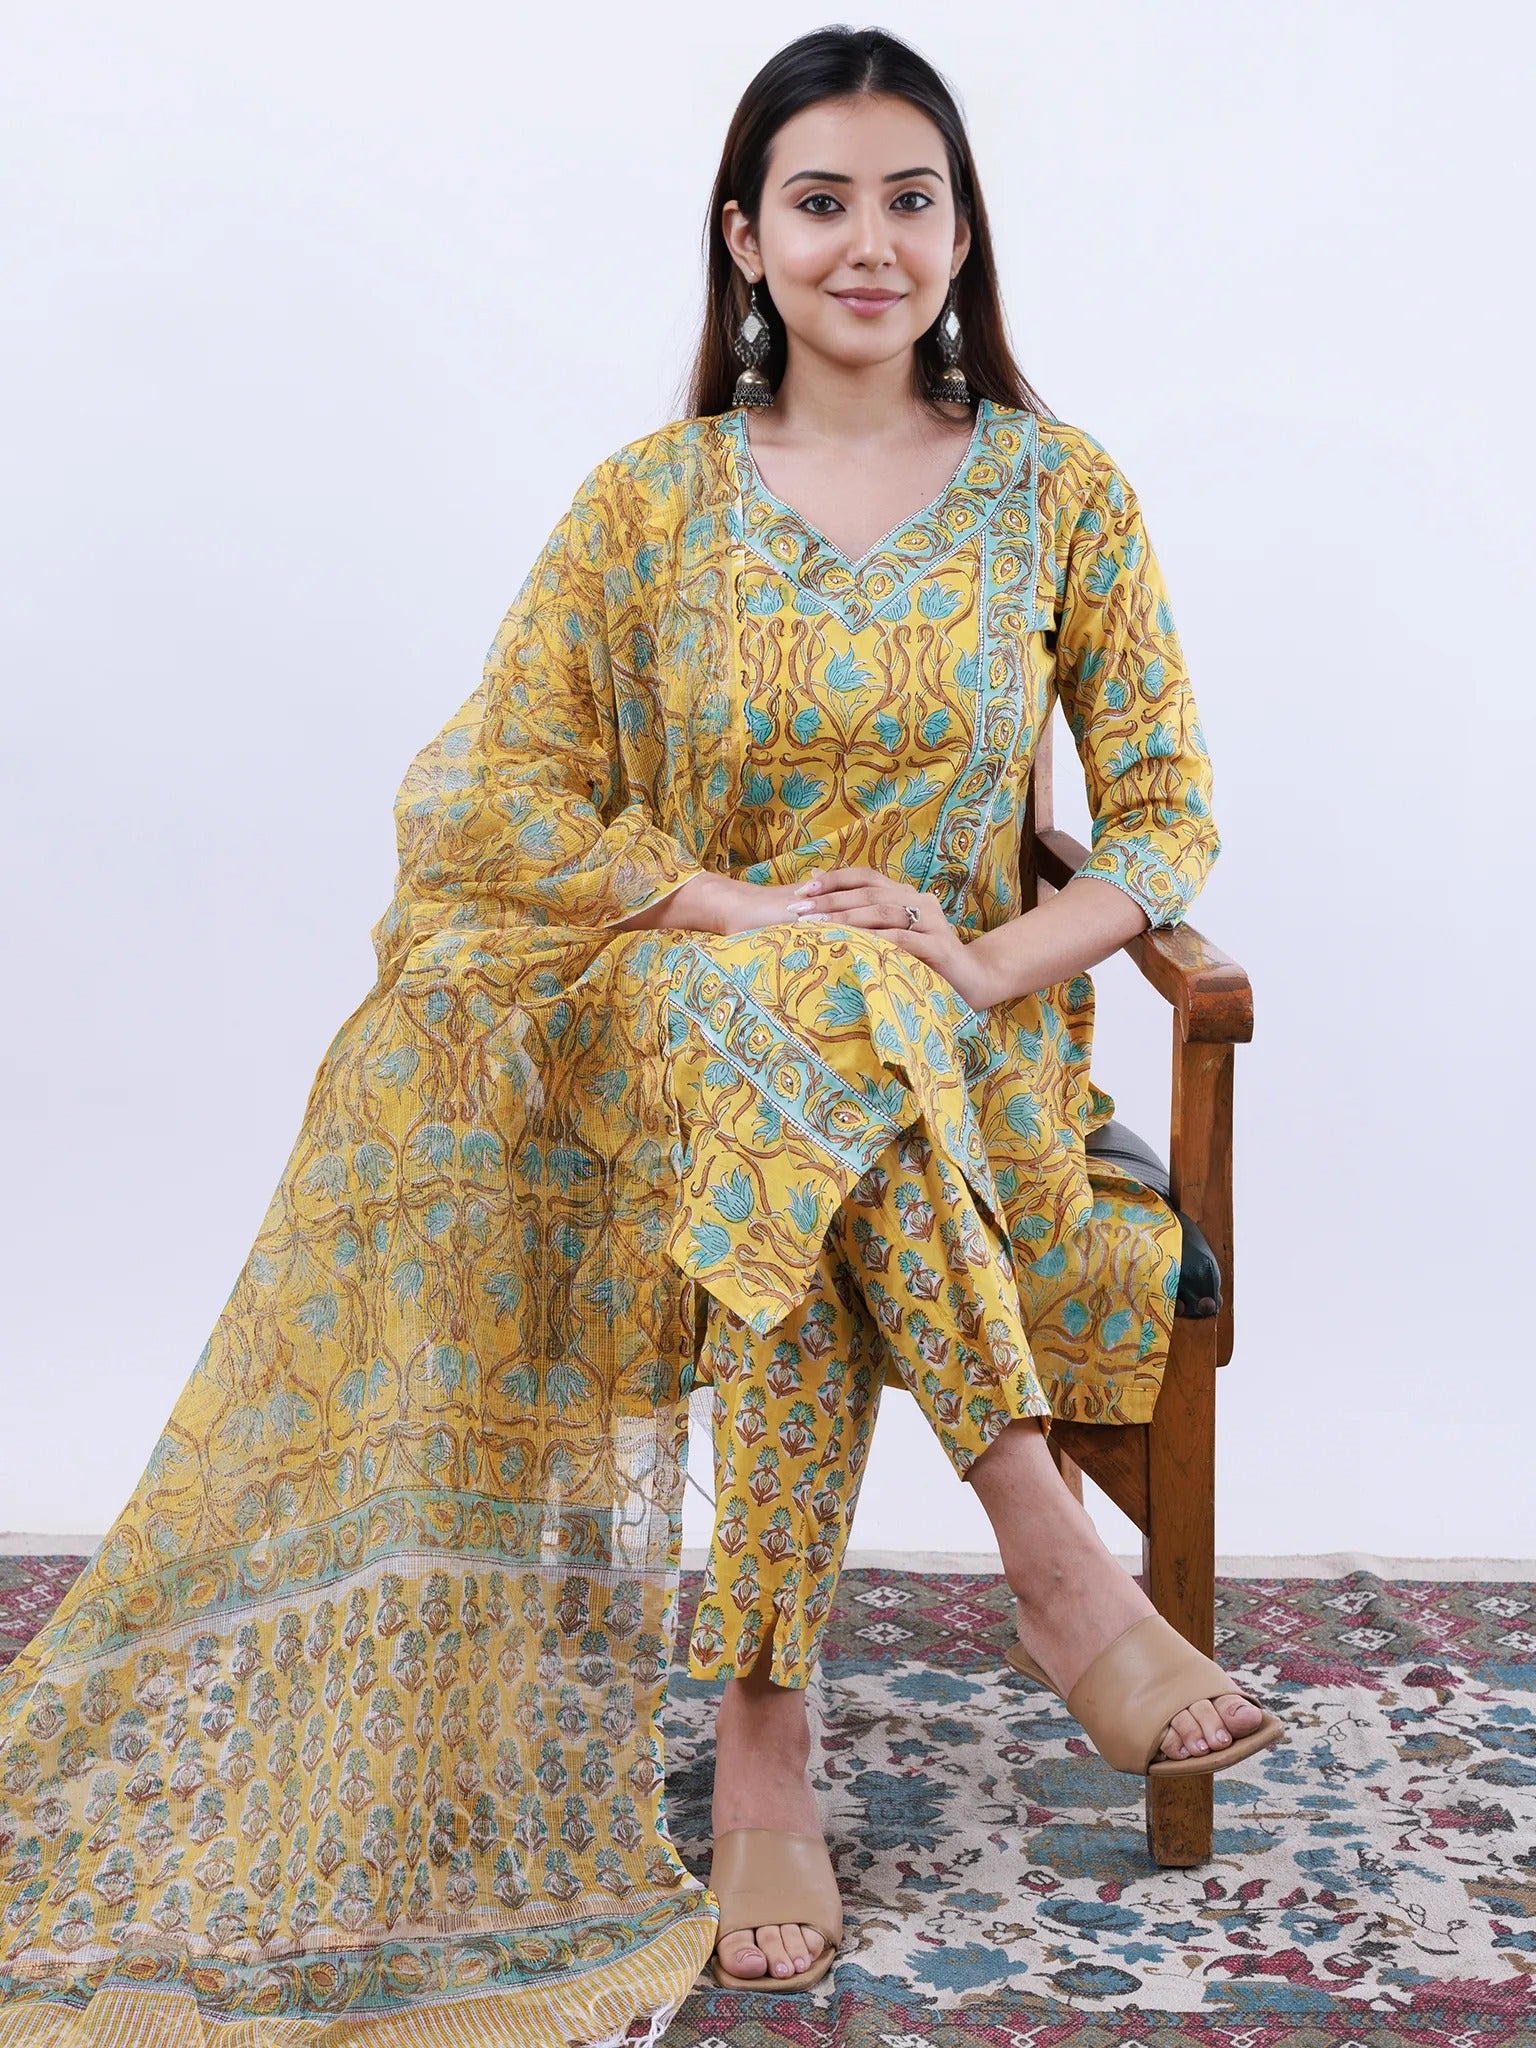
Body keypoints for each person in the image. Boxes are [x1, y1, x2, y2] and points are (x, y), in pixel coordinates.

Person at [0, 26, 1282, 2045]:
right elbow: (483, 797)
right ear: (745, 237)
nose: (871, 242)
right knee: (802, 1029)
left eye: (913, 198)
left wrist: (975, 966)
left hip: (962, 1071)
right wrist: (751, 913)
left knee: (821, 1092)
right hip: (672, 1040)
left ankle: (768, 1739)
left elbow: (1164, 823)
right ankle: (1051, 1559)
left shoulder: (1063, 493)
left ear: (964, 231)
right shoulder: (649, 504)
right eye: (822, 201)